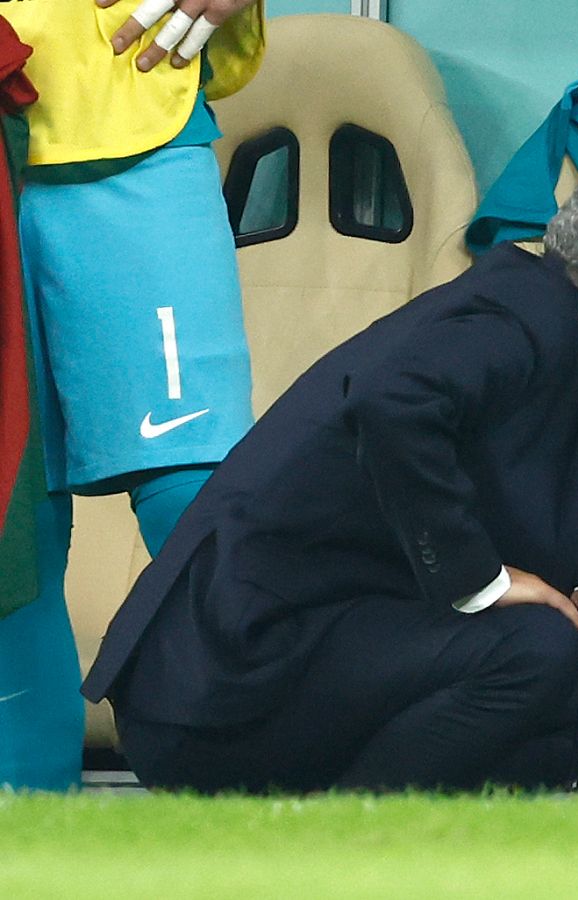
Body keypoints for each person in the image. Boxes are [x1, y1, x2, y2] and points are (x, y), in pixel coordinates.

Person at [81, 151, 578, 793]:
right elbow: (392, 403)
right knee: (541, 652)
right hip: (225, 680)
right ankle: (337, 864)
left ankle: (408, 854)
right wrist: (479, 582)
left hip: (319, 657)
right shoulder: (517, 316)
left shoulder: (567, 349)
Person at [0, 0, 260, 791]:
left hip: (127, 108)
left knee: (198, 507)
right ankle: (33, 840)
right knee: (12, 532)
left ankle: (273, 821)